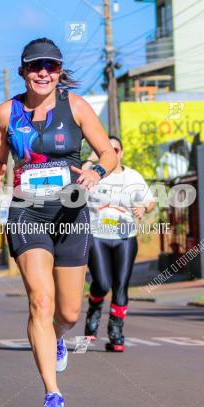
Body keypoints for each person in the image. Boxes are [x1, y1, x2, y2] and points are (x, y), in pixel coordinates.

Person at [0, 37, 116, 407]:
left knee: (70, 312)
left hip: (72, 214)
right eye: (36, 66)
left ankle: (59, 337)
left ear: (59, 72)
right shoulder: (5, 114)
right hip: (28, 213)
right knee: (40, 301)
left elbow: (107, 151)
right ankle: (52, 394)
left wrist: (95, 169)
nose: (44, 72)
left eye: (52, 66)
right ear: (24, 70)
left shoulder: (75, 107)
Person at [82, 136, 155, 351]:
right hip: (97, 236)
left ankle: (116, 332)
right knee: (103, 283)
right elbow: (75, 185)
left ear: (121, 152)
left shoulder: (132, 176)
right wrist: (92, 158)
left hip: (125, 238)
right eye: (107, 149)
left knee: (121, 286)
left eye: (116, 149)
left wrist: (143, 208)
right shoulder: (93, 174)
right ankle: (94, 310)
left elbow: (150, 201)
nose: (112, 153)